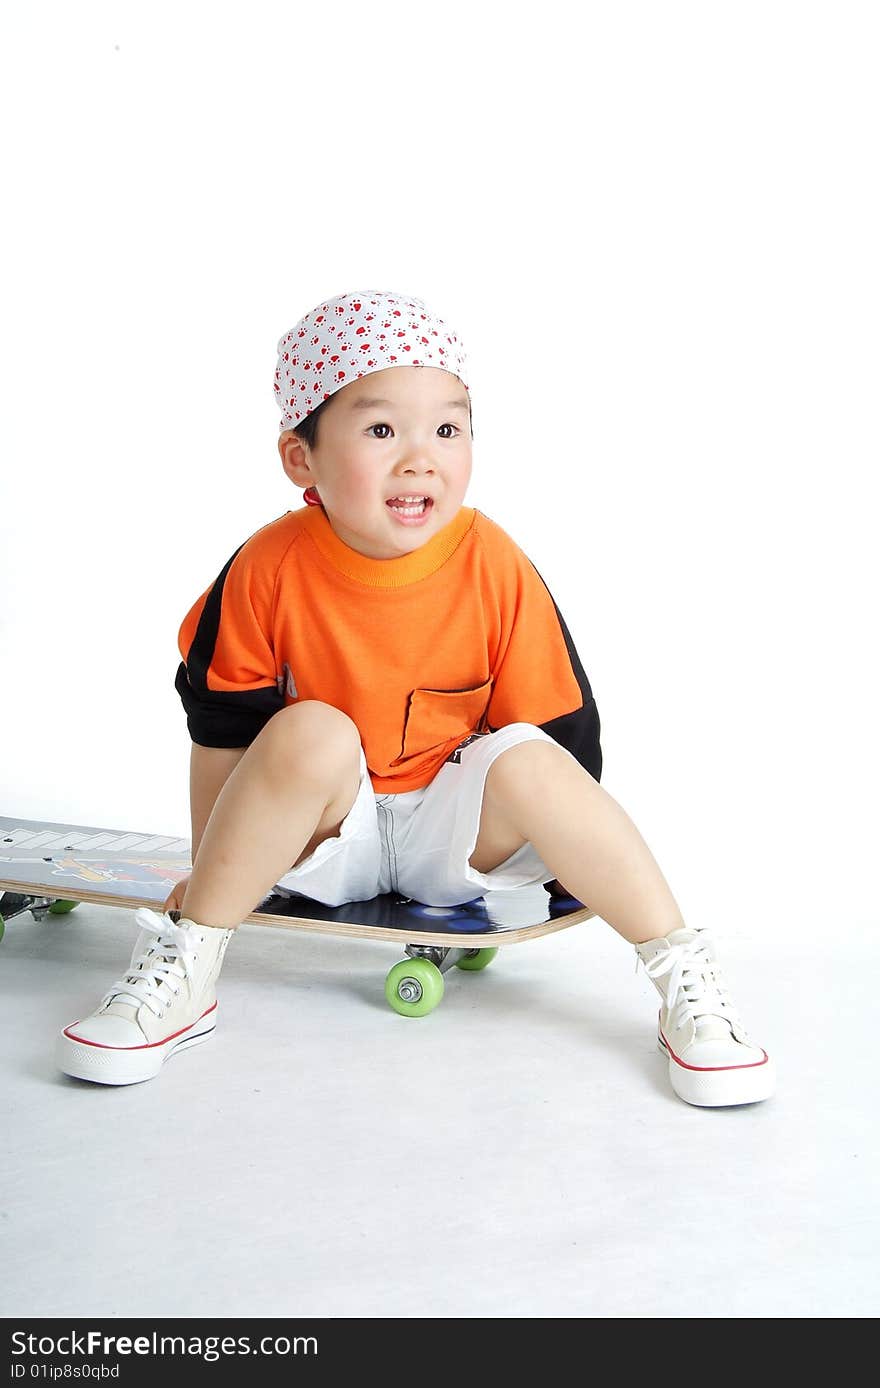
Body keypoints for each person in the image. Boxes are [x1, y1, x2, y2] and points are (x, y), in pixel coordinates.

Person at [55, 288, 774, 1107]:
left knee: (528, 756)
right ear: (302, 458)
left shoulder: (494, 561)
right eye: (380, 429)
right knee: (310, 729)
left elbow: (562, 735)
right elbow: (220, 726)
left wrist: (576, 866)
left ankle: (685, 979)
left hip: (454, 846)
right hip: (322, 845)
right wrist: (209, 870)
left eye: (448, 428)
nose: (420, 457)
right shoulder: (267, 565)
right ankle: (185, 974)